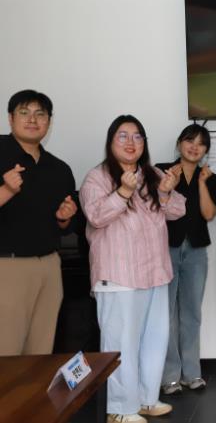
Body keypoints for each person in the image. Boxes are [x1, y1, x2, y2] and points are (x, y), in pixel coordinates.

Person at [80, 115, 185, 423]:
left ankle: (146, 399)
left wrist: (166, 192)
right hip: (118, 276)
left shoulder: (152, 174)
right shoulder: (97, 177)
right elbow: (95, 216)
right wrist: (123, 192)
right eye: (123, 136)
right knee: (121, 343)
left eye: (137, 136)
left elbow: (178, 210)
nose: (131, 142)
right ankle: (119, 409)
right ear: (111, 142)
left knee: (154, 340)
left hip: (155, 273)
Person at [0, 89, 77, 356]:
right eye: (24, 112)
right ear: (10, 118)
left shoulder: (59, 169)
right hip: (7, 266)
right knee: (6, 351)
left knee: (41, 352)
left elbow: (64, 227)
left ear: (49, 121)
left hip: (49, 266)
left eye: (40, 114)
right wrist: (6, 190)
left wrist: (64, 218)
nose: (32, 119)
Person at [157, 124, 216, 395]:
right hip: (165, 248)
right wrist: (168, 186)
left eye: (201, 143)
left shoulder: (210, 177)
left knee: (192, 313)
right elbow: (154, 207)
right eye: (190, 140)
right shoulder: (162, 171)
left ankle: (192, 373)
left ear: (206, 150)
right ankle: (170, 375)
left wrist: (203, 183)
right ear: (180, 143)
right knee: (167, 314)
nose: (194, 147)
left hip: (196, 250)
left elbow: (209, 214)